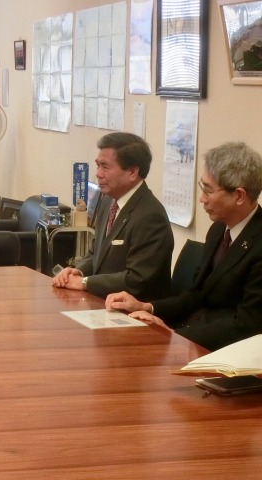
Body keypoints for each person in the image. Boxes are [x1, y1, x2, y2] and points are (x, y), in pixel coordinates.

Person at [106, 142, 262, 351]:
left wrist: (174, 336)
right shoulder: (218, 230)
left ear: (239, 196)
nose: (202, 199)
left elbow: (247, 324)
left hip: (226, 351)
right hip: (193, 334)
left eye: (208, 190)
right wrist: (147, 307)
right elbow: (197, 294)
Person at [52, 132, 174, 299]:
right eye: (98, 165)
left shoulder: (150, 216)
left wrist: (85, 283)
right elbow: (96, 252)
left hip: (133, 309)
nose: (98, 174)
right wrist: (77, 272)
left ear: (132, 172)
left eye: (105, 167)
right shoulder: (108, 201)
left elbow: (137, 279)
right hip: (100, 301)